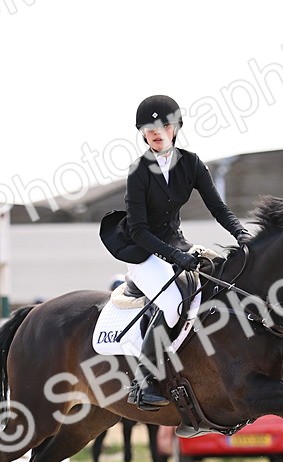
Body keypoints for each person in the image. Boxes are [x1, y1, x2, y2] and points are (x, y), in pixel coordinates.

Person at [100, 94, 253, 411]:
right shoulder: (139, 171)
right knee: (172, 304)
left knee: (216, 282)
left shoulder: (192, 163)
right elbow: (140, 230)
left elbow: (218, 208)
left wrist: (240, 232)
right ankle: (144, 382)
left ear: (175, 128)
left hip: (176, 243)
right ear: (143, 133)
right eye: (149, 128)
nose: (156, 132)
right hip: (142, 250)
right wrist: (175, 257)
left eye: (163, 126)